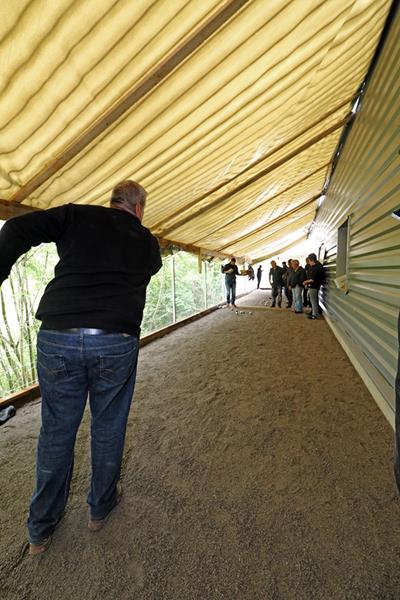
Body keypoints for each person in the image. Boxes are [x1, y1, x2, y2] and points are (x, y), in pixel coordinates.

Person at [0, 180, 162, 555]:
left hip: (59, 333)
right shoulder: (146, 240)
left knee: (56, 430)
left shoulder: (75, 214)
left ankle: (40, 529)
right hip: (115, 339)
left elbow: (15, 228)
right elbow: (147, 272)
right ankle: (99, 509)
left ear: (113, 201)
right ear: (138, 208)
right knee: (108, 425)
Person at [303, 253, 326, 319]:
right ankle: (314, 312)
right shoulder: (317, 266)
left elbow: (313, 279)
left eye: (309, 261)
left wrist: (305, 282)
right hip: (314, 286)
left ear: (312, 260)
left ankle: (315, 315)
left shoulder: (317, 267)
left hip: (314, 286)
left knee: (313, 301)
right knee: (313, 300)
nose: (309, 263)